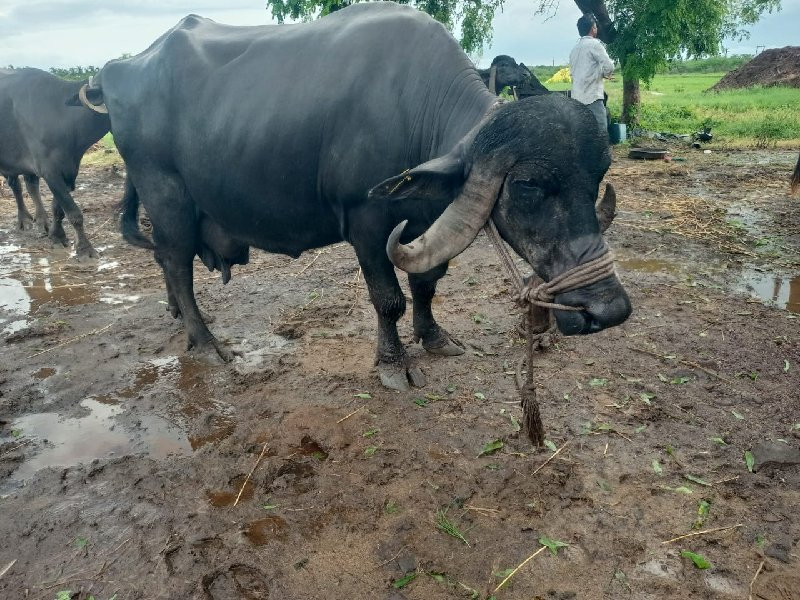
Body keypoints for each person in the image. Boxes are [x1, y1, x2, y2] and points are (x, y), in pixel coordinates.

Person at [569, 12, 614, 135]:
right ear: (593, 29)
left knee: (582, 135)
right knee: (600, 133)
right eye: (595, 26)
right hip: (592, 97)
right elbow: (609, 66)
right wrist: (606, 74)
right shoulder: (594, 44)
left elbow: (573, 74)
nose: (596, 29)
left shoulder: (574, 49)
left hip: (576, 99)